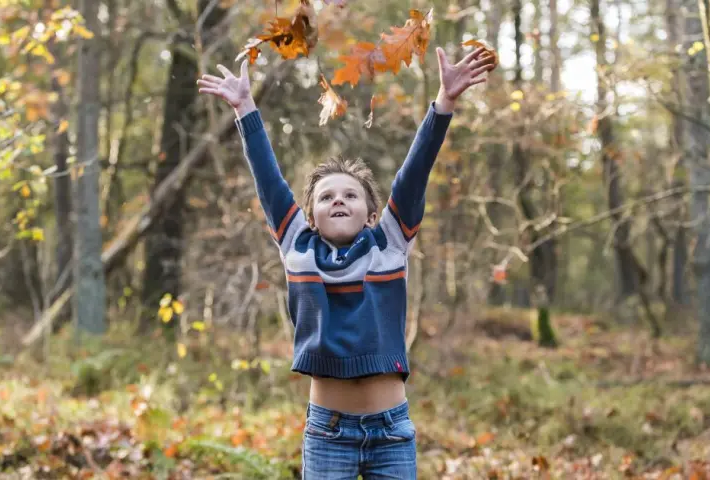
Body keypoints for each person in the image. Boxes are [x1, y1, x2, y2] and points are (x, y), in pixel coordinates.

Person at [198, 44, 493, 479]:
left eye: (351, 195)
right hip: (327, 435)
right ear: (311, 215)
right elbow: (268, 179)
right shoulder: (298, 246)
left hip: (392, 432)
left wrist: (443, 104)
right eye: (326, 197)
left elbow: (413, 175)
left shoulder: (388, 243)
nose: (339, 199)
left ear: (372, 214)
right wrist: (245, 108)